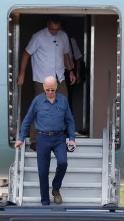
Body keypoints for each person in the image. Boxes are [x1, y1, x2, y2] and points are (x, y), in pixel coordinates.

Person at [17, 15, 76, 151]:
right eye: (51, 29)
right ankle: (34, 141)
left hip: (59, 77)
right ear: (47, 25)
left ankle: (61, 138)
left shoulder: (63, 36)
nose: (54, 31)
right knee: (39, 108)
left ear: (60, 26)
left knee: (63, 106)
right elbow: (26, 54)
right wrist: (22, 73)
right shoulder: (38, 36)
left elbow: (66, 54)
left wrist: (71, 71)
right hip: (42, 78)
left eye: (56, 29)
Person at [15, 76, 76, 205]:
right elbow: (27, 121)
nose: (50, 92)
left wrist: (71, 139)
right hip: (42, 138)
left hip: (59, 138)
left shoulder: (63, 101)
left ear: (56, 88)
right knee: (43, 171)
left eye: (52, 90)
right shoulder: (37, 101)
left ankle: (55, 188)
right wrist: (21, 138)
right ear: (43, 88)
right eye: (47, 89)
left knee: (63, 163)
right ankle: (45, 201)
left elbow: (70, 121)